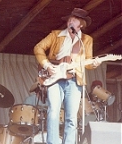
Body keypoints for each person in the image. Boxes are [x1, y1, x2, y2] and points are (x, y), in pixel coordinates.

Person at [33, 8, 101, 144]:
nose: (70, 21)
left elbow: (87, 63)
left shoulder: (86, 40)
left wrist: (95, 63)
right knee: (53, 112)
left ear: (80, 24)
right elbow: (38, 48)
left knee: (71, 118)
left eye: (74, 19)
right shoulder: (55, 35)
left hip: (74, 80)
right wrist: (47, 65)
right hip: (54, 80)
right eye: (69, 19)